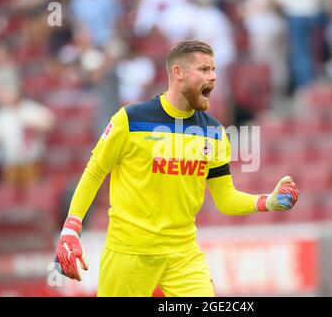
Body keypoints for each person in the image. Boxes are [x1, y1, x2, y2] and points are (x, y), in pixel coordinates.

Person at [54, 40, 299, 297]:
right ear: (178, 73)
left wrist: (268, 202)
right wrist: (71, 229)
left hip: (183, 255)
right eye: (204, 70)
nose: (213, 76)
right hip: (129, 252)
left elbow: (226, 199)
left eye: (213, 69)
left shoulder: (214, 132)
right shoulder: (131, 119)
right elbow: (95, 172)